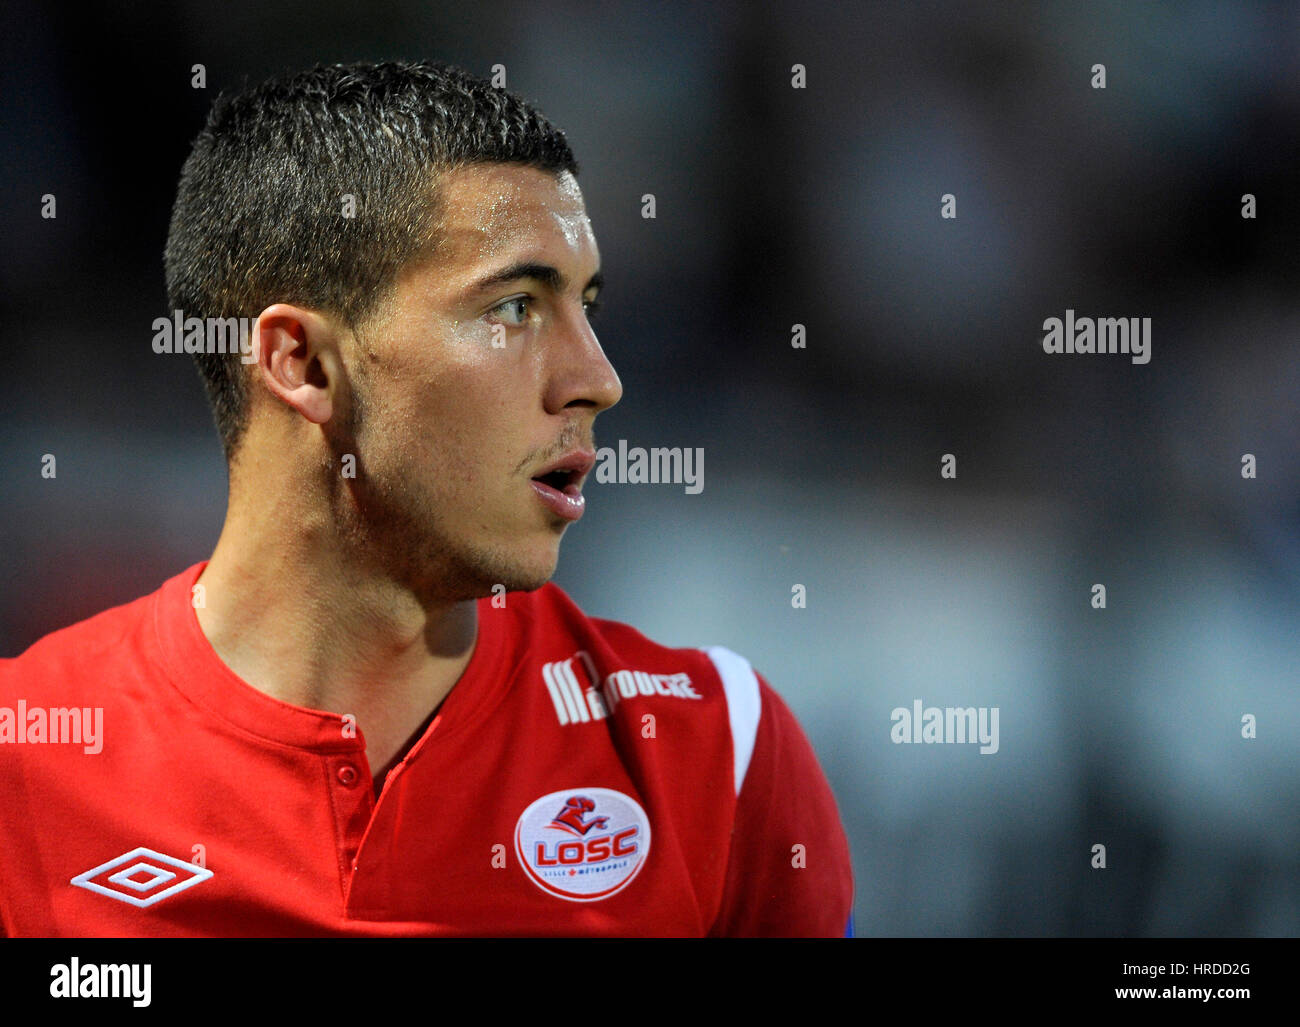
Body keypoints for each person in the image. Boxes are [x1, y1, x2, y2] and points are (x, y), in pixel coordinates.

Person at [0, 60, 853, 937]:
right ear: (303, 363)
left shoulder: (715, 752)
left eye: (587, 305)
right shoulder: (23, 763)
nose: (597, 379)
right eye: (516, 307)